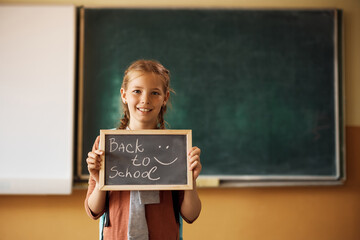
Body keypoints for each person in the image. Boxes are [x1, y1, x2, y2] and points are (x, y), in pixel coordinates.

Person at [85, 59, 202, 240]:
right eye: (137, 91)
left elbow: (190, 215)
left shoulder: (176, 146)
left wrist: (191, 181)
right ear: (124, 95)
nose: (145, 100)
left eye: (155, 92)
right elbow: (94, 210)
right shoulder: (105, 144)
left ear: (165, 98)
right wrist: (99, 179)